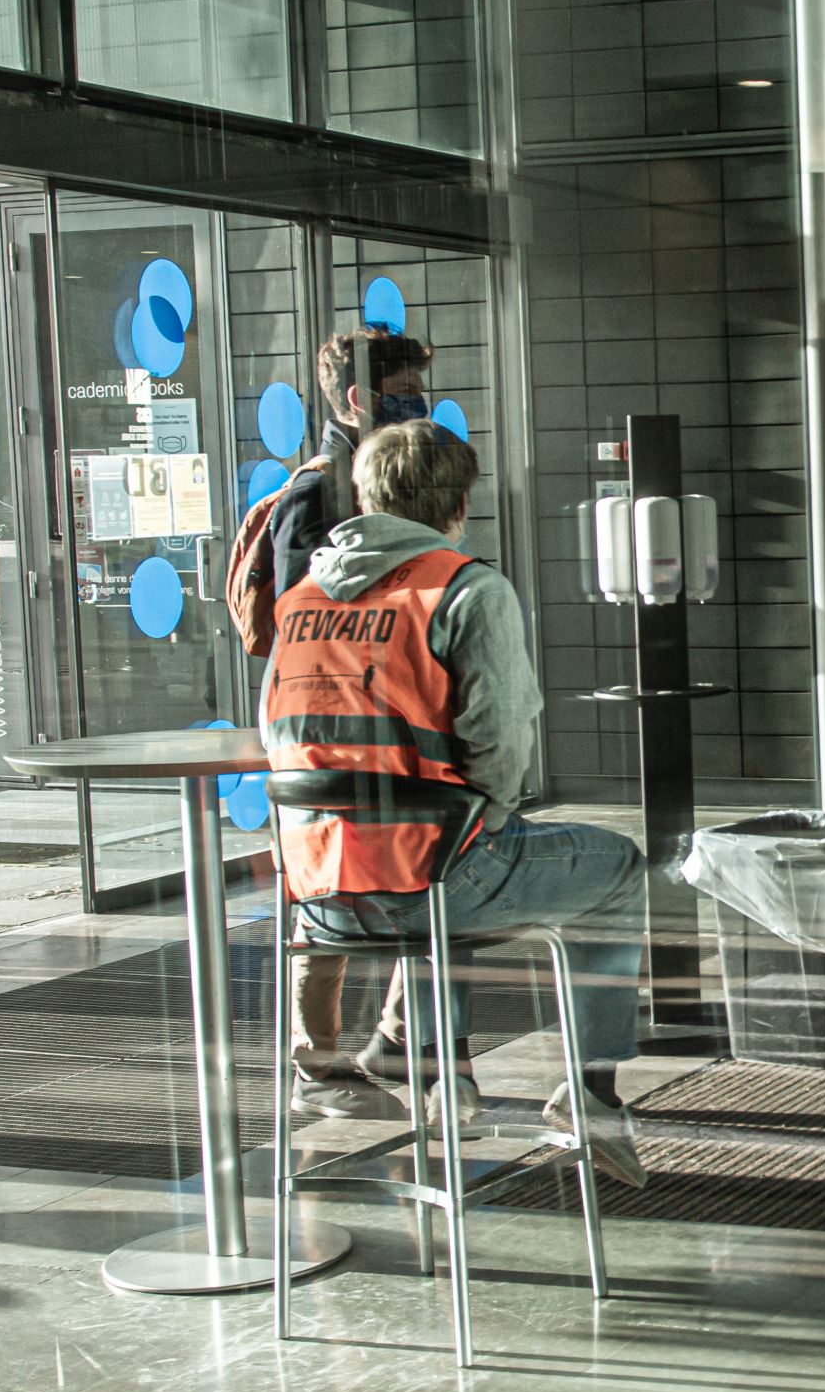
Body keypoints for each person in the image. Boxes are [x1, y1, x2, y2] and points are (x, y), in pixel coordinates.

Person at [264, 423, 651, 1186]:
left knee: (458, 854)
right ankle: (590, 1093)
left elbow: (275, 734)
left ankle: (446, 1063)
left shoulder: (298, 603)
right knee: (610, 869)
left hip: (320, 901)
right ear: (462, 502)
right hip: (430, 881)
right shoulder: (466, 587)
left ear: (367, 496)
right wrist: (481, 812)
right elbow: (500, 745)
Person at [276, 327, 436, 1119]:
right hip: (328, 728)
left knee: (419, 865)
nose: (419, 408)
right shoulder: (319, 487)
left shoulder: (398, 473)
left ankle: (399, 1036)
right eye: (404, 394)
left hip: (393, 716)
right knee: (324, 889)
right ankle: (319, 1059)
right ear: (356, 400)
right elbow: (296, 620)